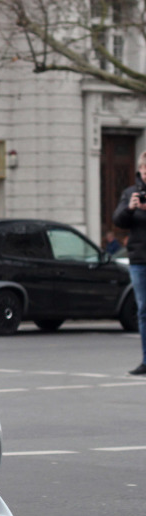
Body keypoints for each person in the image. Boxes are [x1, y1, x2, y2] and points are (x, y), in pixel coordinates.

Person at [111, 150, 146, 374]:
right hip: (139, 259)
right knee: (143, 310)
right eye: (145, 170)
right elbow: (118, 220)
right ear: (140, 170)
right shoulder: (131, 193)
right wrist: (130, 208)